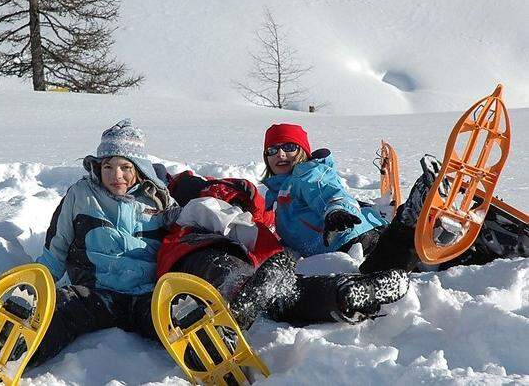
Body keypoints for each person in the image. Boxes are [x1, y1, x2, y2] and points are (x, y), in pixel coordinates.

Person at [260, 123, 528, 274]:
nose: (280, 154)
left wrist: (335, 210)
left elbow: (328, 192)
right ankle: (477, 250)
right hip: (350, 239)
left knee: (378, 273)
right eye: (273, 149)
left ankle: (411, 217)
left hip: (348, 239)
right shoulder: (276, 192)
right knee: (416, 265)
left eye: (289, 147)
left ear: (303, 152)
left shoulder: (307, 174)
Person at [159, 170, 410, 330]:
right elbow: (218, 217)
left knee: (286, 294)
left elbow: (262, 224)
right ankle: (241, 303)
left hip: (249, 263)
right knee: (229, 270)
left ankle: (344, 293)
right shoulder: (196, 204)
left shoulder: (262, 207)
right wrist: (272, 256)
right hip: (197, 250)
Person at [30, 119, 177, 366]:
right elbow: (57, 247)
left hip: (145, 297)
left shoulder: (159, 201)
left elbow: (178, 246)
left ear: (138, 168)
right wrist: (35, 283)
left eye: (124, 167)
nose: (115, 175)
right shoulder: (81, 195)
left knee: (181, 319)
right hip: (94, 293)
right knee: (59, 309)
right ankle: (13, 354)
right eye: (107, 166)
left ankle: (219, 363)